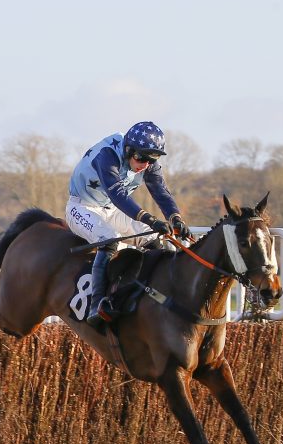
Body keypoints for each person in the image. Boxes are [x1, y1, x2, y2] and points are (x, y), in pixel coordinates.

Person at [65, 120, 191, 325]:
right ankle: (96, 304)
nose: (145, 165)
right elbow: (118, 195)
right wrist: (150, 219)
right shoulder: (107, 155)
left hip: (111, 209)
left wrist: (175, 218)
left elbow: (160, 191)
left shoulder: (146, 162)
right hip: (82, 207)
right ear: (128, 150)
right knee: (109, 238)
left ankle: (155, 295)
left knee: (153, 238)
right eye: (142, 158)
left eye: (152, 160)